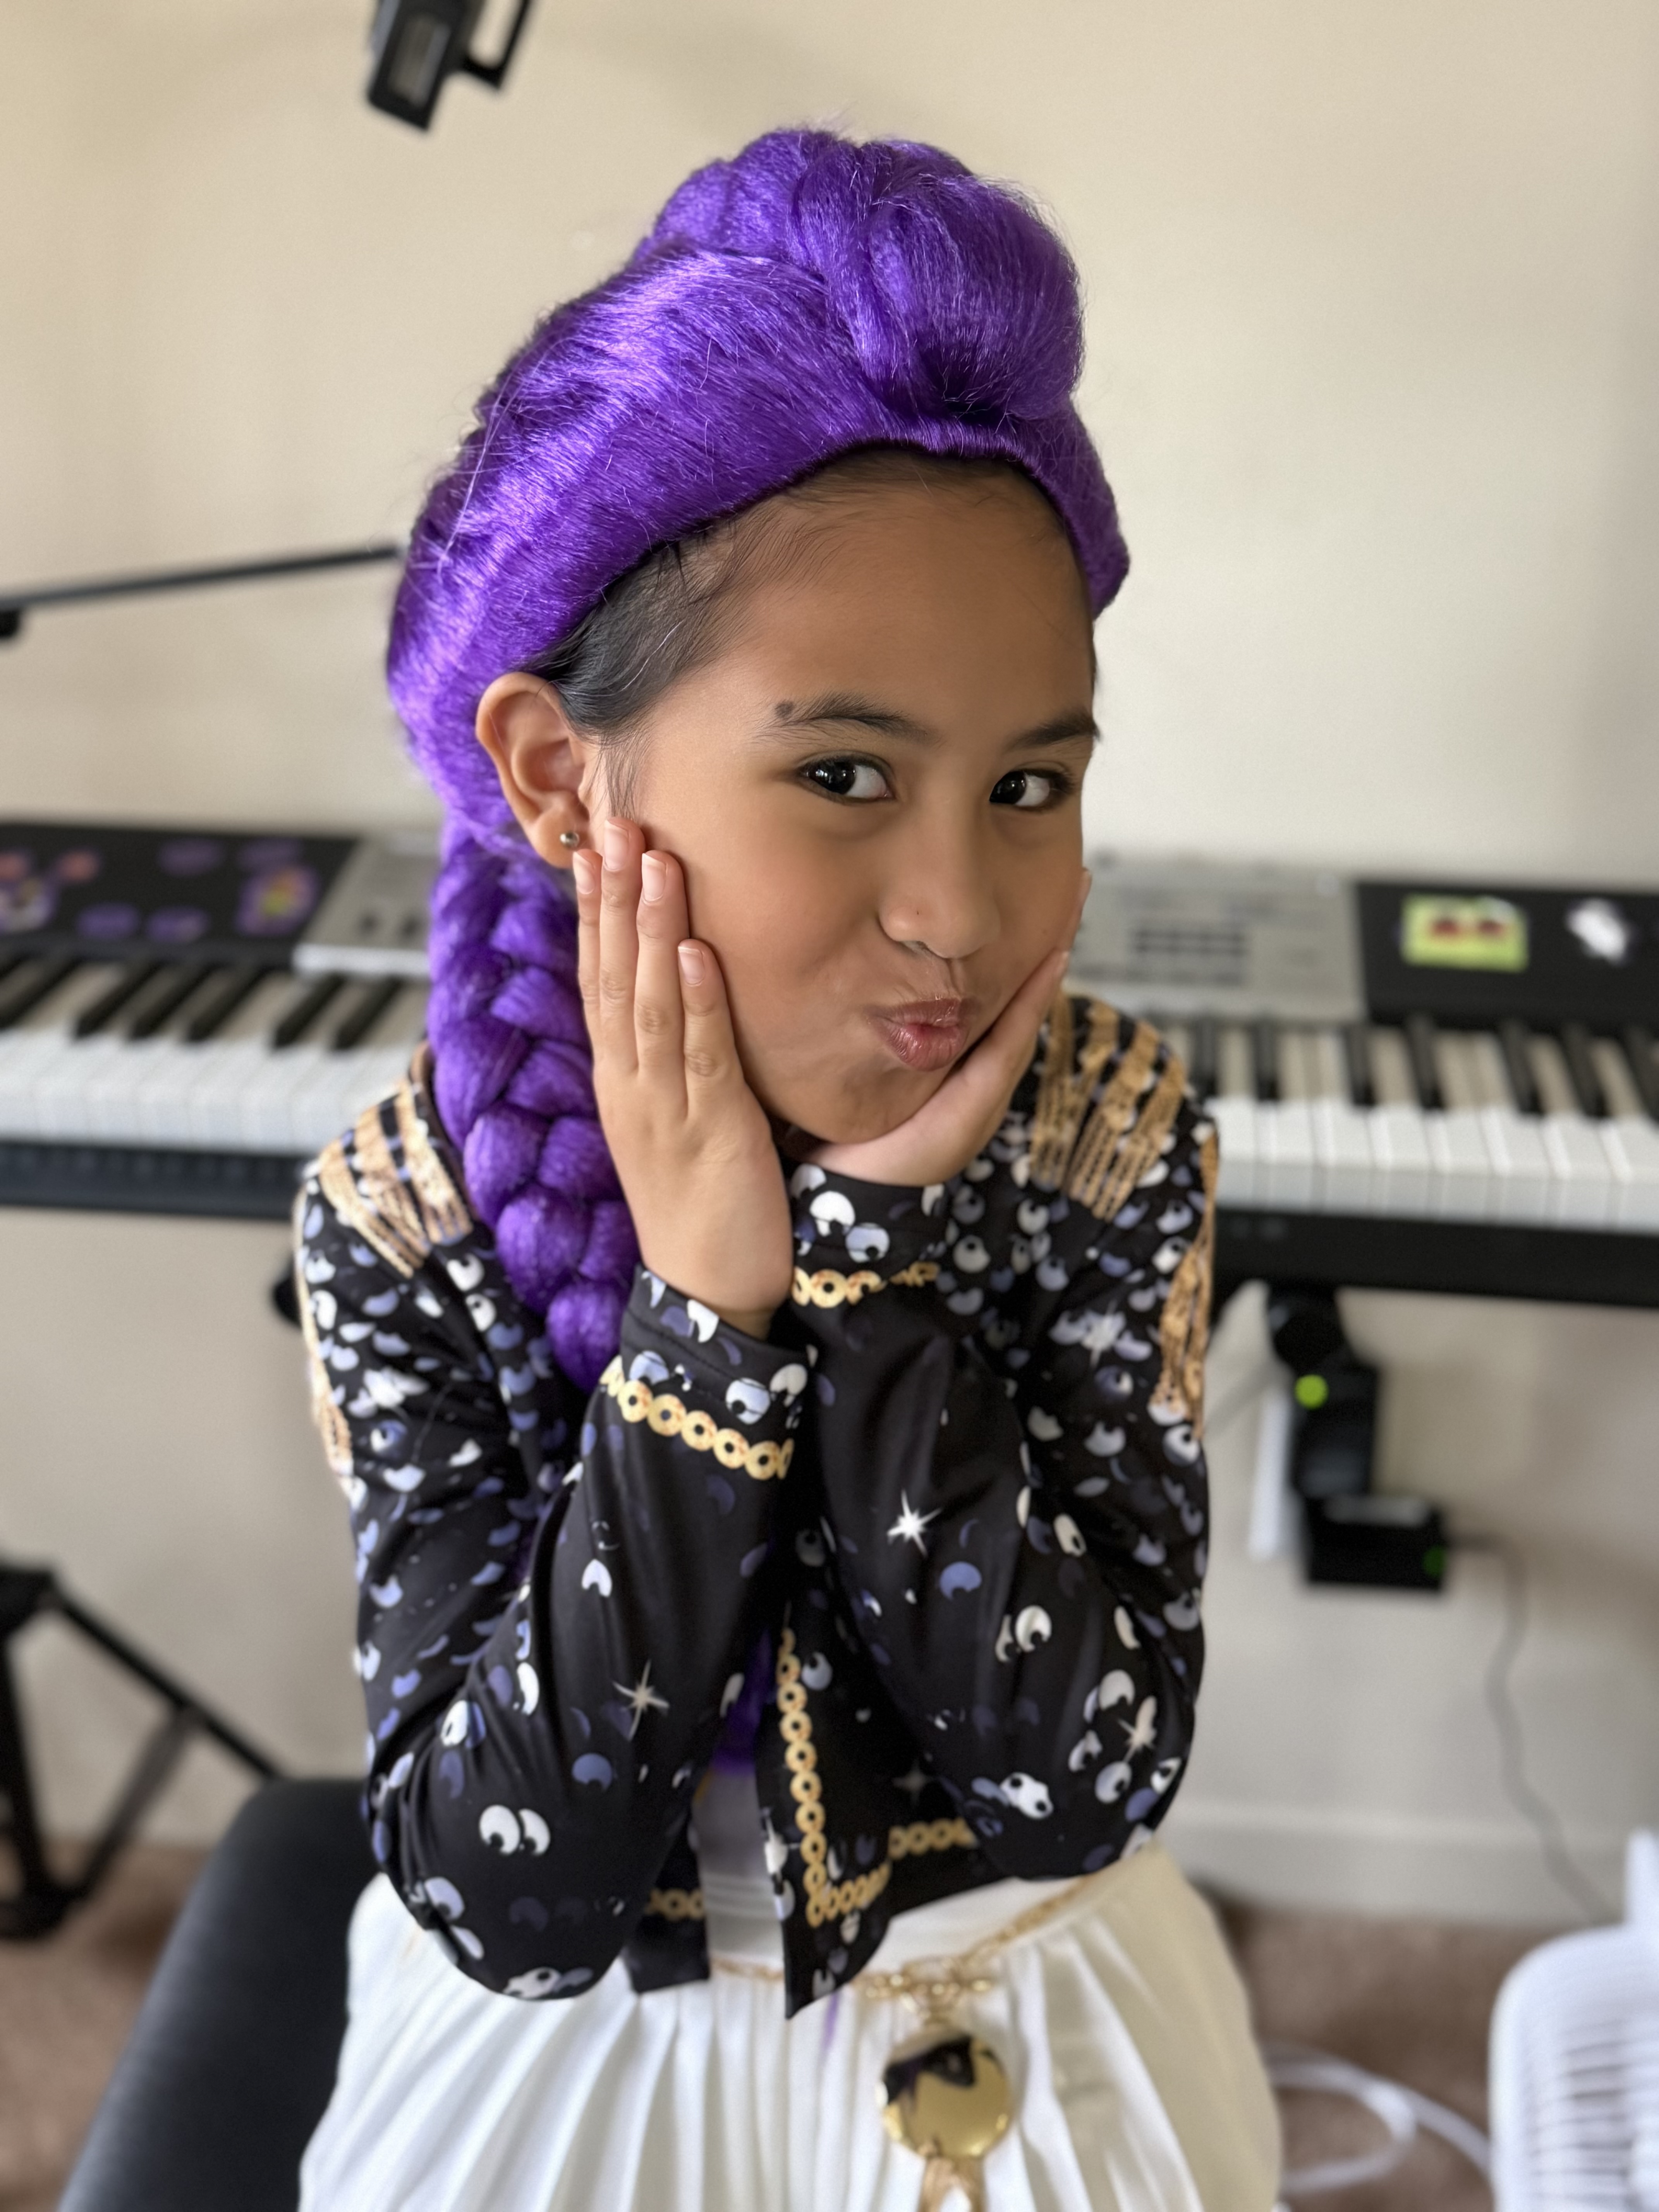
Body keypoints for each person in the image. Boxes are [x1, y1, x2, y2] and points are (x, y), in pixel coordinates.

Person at [292, 127, 1280, 2212]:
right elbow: (510, 1899)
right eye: (843, 772)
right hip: (571, 2052)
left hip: (1010, 1979)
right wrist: (708, 1332)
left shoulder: (1103, 1142)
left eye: (1031, 787)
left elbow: (1081, 1780)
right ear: (559, 776)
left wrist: (871, 1275)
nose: (957, 912)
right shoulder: (410, 1211)